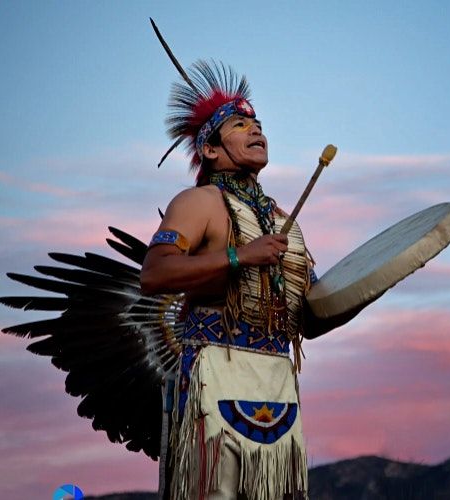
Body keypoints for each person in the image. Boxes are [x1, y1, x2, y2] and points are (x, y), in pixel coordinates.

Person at [141, 60, 319, 500]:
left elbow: (311, 318)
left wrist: (368, 286)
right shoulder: (199, 201)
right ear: (211, 150)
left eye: (258, 124)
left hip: (279, 376)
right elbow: (155, 273)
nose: (256, 130)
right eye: (240, 125)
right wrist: (240, 255)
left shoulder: (285, 224)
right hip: (214, 369)